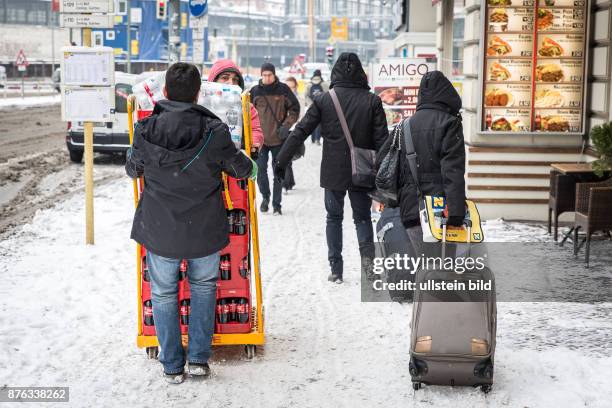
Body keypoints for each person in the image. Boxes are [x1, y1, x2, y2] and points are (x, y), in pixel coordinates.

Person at [125, 63, 256, 384]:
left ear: (166, 91)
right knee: (203, 288)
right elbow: (239, 169)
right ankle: (198, 359)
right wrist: (251, 165)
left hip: (160, 227)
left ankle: (171, 365)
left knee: (164, 293)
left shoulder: (145, 130)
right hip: (203, 227)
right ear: (199, 92)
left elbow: (132, 169)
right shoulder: (215, 130)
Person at [274, 53, 389, 283]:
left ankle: (336, 269)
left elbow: (301, 130)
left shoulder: (325, 100)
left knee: (333, 218)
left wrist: (281, 160)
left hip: (333, 170)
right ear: (360, 74)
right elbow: (383, 142)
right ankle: (369, 269)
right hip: (363, 171)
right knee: (363, 218)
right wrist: (385, 174)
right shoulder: (372, 101)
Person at [378, 70, 466, 254]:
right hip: (441, 209)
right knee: (442, 265)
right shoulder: (450, 123)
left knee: (424, 263)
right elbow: (453, 171)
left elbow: (382, 162)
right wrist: (457, 213)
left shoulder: (404, 125)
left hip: (410, 208)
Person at [251, 62, 300, 215]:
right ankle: (265, 197)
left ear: (274, 74)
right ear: (261, 75)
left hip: (279, 139)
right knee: (260, 171)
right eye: (264, 75)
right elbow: (247, 113)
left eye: (269, 75)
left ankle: (277, 204)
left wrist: (286, 126)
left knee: (278, 172)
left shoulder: (283, 90)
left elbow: (295, 108)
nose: (266, 78)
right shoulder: (254, 92)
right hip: (260, 140)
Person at [207, 59, 264, 156]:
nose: (231, 82)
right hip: (206, 161)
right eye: (225, 78)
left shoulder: (246, 108)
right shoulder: (202, 104)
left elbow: (255, 130)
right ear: (213, 81)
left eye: (235, 79)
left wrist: (254, 144)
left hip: (235, 161)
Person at [282, 76, 301, 193]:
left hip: (295, 130)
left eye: (291, 86)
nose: (289, 89)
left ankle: (288, 182)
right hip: (284, 130)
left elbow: (302, 114)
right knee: (286, 157)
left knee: (288, 157)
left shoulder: (299, 98)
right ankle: (287, 183)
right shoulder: (281, 98)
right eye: (287, 86)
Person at [305, 69, 328, 145]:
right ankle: (317, 139)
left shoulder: (309, 84)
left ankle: (312, 139)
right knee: (319, 123)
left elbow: (306, 96)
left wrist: (310, 104)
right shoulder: (324, 84)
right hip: (321, 106)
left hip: (311, 106)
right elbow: (327, 95)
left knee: (312, 122)